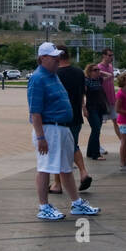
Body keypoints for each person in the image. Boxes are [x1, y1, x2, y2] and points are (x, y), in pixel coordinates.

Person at [27, 43, 98, 220]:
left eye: (58, 57)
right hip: (49, 128)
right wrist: (40, 136)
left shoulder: (52, 75)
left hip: (62, 128)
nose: (57, 60)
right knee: (45, 168)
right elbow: (35, 111)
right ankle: (43, 206)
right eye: (53, 57)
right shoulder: (38, 78)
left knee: (65, 168)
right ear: (42, 58)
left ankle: (76, 203)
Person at [48, 51, 93, 195]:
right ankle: (83, 172)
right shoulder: (79, 72)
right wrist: (84, 108)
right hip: (76, 116)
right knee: (73, 145)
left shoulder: (56, 74)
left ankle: (57, 184)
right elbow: (82, 92)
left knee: (57, 149)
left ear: (58, 58)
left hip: (60, 117)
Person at [83, 63, 108, 161]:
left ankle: (90, 152)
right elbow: (82, 95)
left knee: (95, 130)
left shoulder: (99, 80)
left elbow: (109, 75)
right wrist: (84, 109)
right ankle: (96, 154)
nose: (98, 71)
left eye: (98, 70)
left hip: (100, 108)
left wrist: (99, 72)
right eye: (95, 70)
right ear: (89, 72)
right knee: (96, 129)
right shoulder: (86, 81)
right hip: (91, 108)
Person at [98, 48, 120, 146]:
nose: (111, 57)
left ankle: (123, 142)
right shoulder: (98, 67)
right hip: (103, 101)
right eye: (109, 55)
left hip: (112, 100)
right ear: (104, 56)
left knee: (116, 121)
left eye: (112, 55)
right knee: (99, 125)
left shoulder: (111, 66)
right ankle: (97, 146)